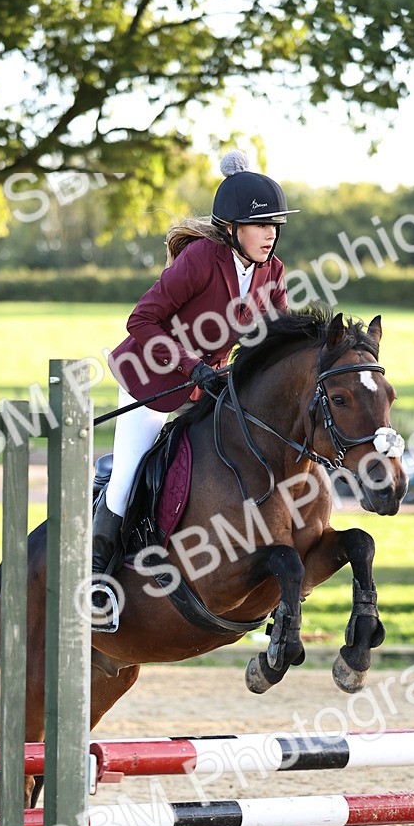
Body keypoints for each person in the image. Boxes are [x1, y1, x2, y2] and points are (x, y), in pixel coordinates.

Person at [90, 151, 298, 628]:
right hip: (151, 381)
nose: (270, 233)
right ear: (231, 228)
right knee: (126, 478)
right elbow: (141, 319)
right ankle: (97, 580)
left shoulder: (273, 271)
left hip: (208, 388)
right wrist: (189, 366)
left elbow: (279, 334)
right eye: (260, 224)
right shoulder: (202, 258)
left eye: (275, 225)